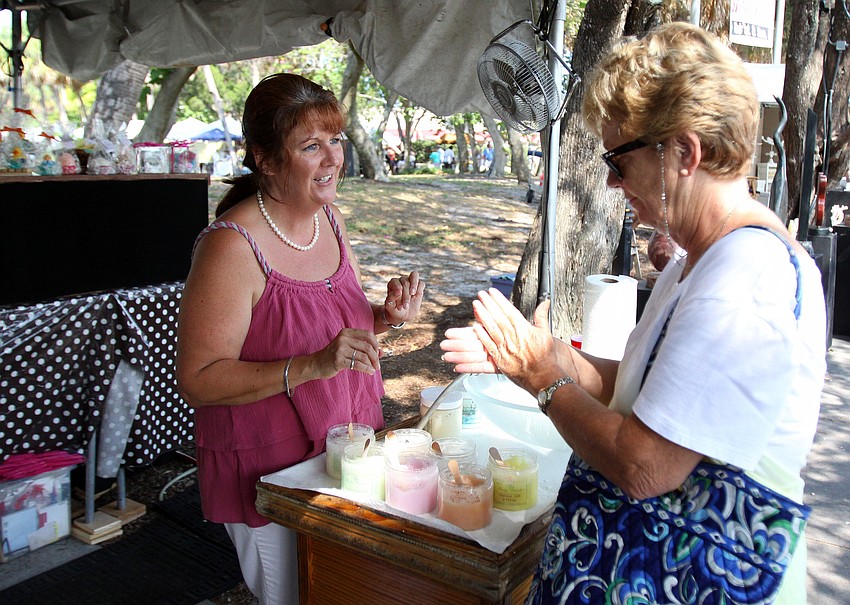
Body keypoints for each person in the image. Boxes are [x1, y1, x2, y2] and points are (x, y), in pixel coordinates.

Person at [441, 23, 825, 605]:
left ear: (684, 153)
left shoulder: (744, 278)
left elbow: (645, 466)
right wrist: (542, 354)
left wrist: (542, 380)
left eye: (618, 161)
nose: (613, 181)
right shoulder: (699, 259)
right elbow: (636, 382)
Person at [176, 73, 425, 604]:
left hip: (345, 443)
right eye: (312, 146)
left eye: (335, 140)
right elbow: (198, 380)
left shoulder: (328, 220)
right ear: (266, 160)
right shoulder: (231, 247)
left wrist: (387, 317)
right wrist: (310, 366)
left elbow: (336, 334)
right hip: (268, 467)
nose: (333, 158)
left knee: (345, 588)